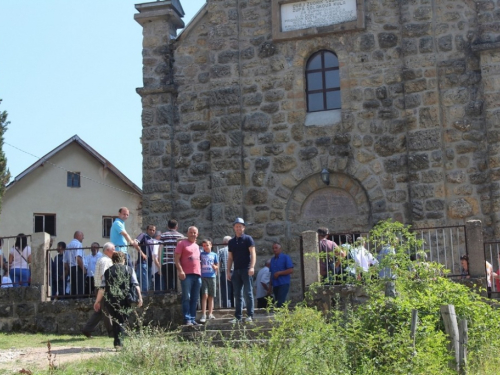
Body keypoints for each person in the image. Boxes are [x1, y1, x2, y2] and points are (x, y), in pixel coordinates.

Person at [94, 251, 143, 350]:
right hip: (126, 299)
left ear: (113, 260)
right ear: (124, 260)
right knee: (122, 320)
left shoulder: (107, 272)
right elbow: (136, 285)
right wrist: (140, 298)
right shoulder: (129, 269)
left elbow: (102, 288)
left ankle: (117, 342)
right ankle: (119, 343)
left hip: (111, 299)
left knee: (116, 320)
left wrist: (97, 301)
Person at [82, 242, 115, 339]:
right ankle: (112, 333)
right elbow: (104, 275)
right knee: (107, 311)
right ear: (107, 250)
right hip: (103, 288)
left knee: (100, 311)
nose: (115, 250)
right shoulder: (106, 260)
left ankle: (87, 329)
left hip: (100, 288)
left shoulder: (103, 259)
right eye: (113, 248)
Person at [227, 218, 256, 323]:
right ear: (234, 228)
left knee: (248, 293)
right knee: (237, 294)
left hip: (246, 269)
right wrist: (228, 271)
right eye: (236, 226)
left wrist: (252, 267)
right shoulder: (231, 242)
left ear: (244, 227)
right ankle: (238, 317)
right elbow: (230, 258)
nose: (238, 228)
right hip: (236, 270)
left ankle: (250, 316)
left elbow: (253, 253)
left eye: (240, 226)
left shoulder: (248, 239)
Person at [175, 226, 201, 326]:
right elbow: (176, 259)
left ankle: (193, 319)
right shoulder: (182, 244)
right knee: (187, 297)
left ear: (197, 234)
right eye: (191, 232)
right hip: (187, 275)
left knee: (195, 298)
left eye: (194, 233)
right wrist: (181, 271)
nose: (193, 234)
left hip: (197, 275)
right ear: (187, 233)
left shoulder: (197, 246)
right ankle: (187, 319)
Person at [160, 219, 185, 291]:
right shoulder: (180, 236)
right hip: (177, 262)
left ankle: (168, 293)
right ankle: (177, 291)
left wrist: (160, 262)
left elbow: (161, 248)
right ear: (176, 227)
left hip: (166, 261)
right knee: (177, 280)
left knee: (167, 280)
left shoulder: (163, 235)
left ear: (168, 226)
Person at [200, 239, 218, 323]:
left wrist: (215, 267)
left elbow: (217, 265)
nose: (205, 247)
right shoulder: (201, 254)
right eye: (203, 246)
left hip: (212, 276)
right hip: (203, 277)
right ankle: (203, 313)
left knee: (211, 296)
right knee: (204, 295)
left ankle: (210, 313)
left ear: (211, 245)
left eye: (207, 245)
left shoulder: (214, 254)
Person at [269, 243, 294, 308]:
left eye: (276, 248)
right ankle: (281, 316)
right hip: (275, 284)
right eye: (273, 248)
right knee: (277, 302)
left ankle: (282, 316)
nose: (274, 250)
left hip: (283, 283)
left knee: (281, 302)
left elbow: (290, 270)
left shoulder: (285, 257)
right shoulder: (272, 260)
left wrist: (279, 273)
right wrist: (270, 286)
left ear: (280, 249)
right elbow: (271, 273)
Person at [64, 231, 86, 296]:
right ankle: (79, 303)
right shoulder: (78, 244)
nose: (83, 238)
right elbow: (78, 258)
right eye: (82, 236)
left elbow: (65, 261)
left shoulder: (68, 245)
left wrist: (68, 270)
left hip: (71, 268)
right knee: (79, 288)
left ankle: (73, 301)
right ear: (78, 236)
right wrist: (83, 269)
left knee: (73, 288)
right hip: (78, 268)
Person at [135, 225, 156, 292]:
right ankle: (144, 297)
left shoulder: (152, 240)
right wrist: (142, 254)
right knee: (144, 283)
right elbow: (135, 243)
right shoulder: (143, 235)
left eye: (153, 230)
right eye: (150, 229)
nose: (152, 231)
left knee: (148, 283)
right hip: (143, 263)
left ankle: (145, 297)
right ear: (147, 230)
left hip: (150, 263)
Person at [218, 235, 233, 308]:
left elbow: (219, 263)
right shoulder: (234, 249)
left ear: (224, 243)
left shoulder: (221, 251)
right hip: (235, 271)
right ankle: (237, 306)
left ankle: (227, 307)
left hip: (224, 272)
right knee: (236, 290)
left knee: (226, 291)